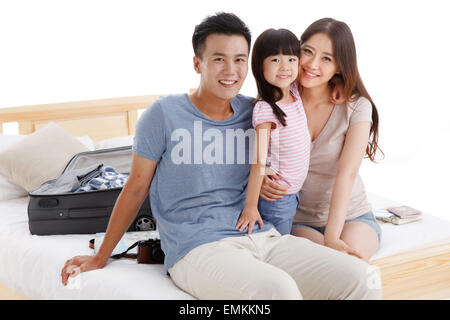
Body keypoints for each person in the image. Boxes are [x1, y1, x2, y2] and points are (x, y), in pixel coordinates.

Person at [61, 12, 381, 300]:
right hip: (199, 247)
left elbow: (295, 88)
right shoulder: (163, 114)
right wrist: (101, 255)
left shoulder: (255, 110)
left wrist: (338, 86)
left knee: (362, 279)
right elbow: (135, 187)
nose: (230, 70)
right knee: (279, 290)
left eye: (240, 59)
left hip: (262, 236)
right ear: (197, 63)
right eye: (219, 59)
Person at [260, 18, 383, 262]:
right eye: (308, 52)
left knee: (350, 266)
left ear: (339, 66)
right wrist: (261, 176)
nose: (313, 64)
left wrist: (333, 238)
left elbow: (346, 174)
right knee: (324, 266)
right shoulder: (277, 99)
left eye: (327, 58)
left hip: (351, 217)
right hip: (299, 220)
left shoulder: (356, 106)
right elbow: (257, 153)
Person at [236, 29, 310, 235]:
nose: (285, 67)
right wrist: (250, 206)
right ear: (260, 65)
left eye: (291, 59)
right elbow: (258, 161)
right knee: (278, 247)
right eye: (275, 60)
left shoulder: (294, 93)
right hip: (277, 199)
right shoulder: (266, 108)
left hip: (293, 195)